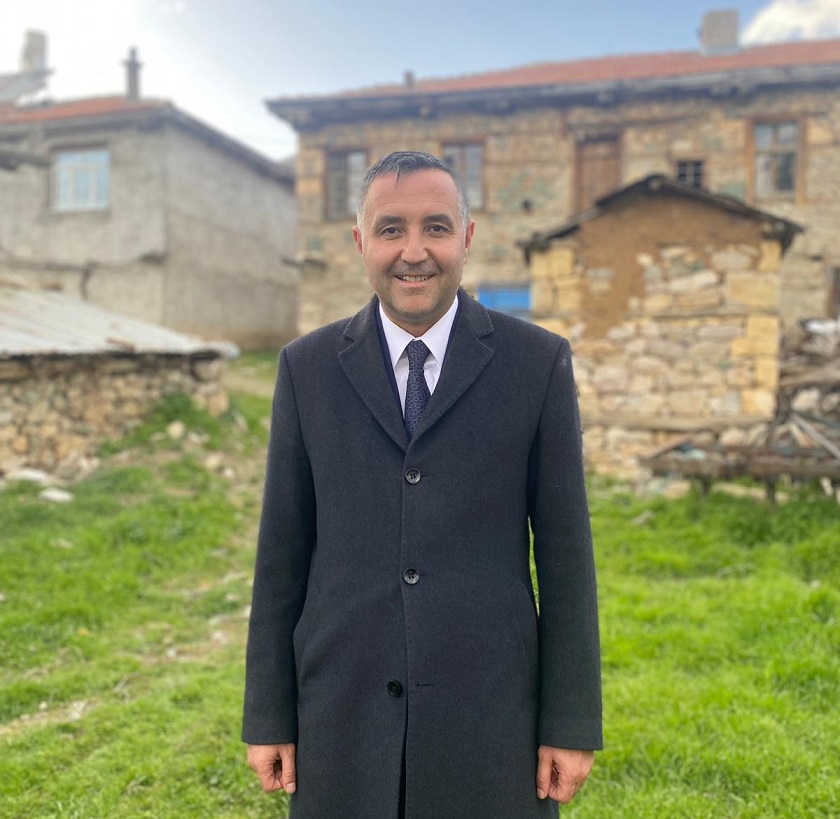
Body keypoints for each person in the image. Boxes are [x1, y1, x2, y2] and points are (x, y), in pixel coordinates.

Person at [243, 150, 602, 818]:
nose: (414, 251)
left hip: (492, 719)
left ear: (467, 237)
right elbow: (281, 557)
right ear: (361, 242)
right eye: (391, 229)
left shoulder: (537, 363)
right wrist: (268, 713)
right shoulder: (306, 368)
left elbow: (566, 558)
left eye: (436, 227)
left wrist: (571, 721)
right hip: (340, 716)